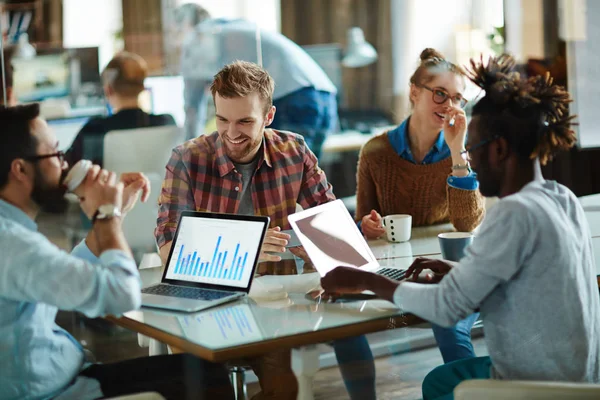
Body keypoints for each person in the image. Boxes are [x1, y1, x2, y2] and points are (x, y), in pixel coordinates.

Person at [320, 54, 600, 400]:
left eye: (472, 149)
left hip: (533, 387)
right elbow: (527, 282)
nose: (470, 158)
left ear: (498, 150)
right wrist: (458, 270)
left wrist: (364, 279)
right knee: (440, 380)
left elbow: (447, 307)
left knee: (439, 384)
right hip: (582, 381)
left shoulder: (513, 212)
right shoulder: (562, 198)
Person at [155, 60, 374, 400]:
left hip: (274, 308)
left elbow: (333, 229)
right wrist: (249, 247)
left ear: (269, 116)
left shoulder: (294, 150)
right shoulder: (187, 159)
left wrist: (319, 248)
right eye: (222, 119)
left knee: (288, 390)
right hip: (206, 308)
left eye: (245, 121)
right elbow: (170, 250)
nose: (231, 133)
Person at [0, 103, 234, 399]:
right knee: (206, 376)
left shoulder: (10, 233)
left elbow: (63, 276)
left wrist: (114, 215)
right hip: (59, 391)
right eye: (55, 154)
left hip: (65, 375)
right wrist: (106, 214)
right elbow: (122, 295)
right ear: (20, 169)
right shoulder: (12, 245)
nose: (64, 164)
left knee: (199, 370)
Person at [357, 48, 485, 365]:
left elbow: (467, 224)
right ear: (415, 92)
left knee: (449, 323)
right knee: (348, 330)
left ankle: (463, 388)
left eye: (457, 99)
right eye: (440, 94)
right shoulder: (375, 151)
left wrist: (457, 153)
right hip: (399, 266)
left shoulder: (461, 150)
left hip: (448, 267)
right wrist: (368, 226)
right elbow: (364, 220)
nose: (449, 106)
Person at [173, 3, 338, 158]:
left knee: (281, 177)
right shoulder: (231, 28)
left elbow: (193, 106)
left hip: (291, 99)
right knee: (301, 178)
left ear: (185, 25)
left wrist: (188, 155)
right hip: (323, 95)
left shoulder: (198, 39)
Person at [66, 51, 176, 167]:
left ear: (108, 90)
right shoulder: (167, 123)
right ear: (143, 88)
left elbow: (69, 168)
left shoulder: (94, 129)